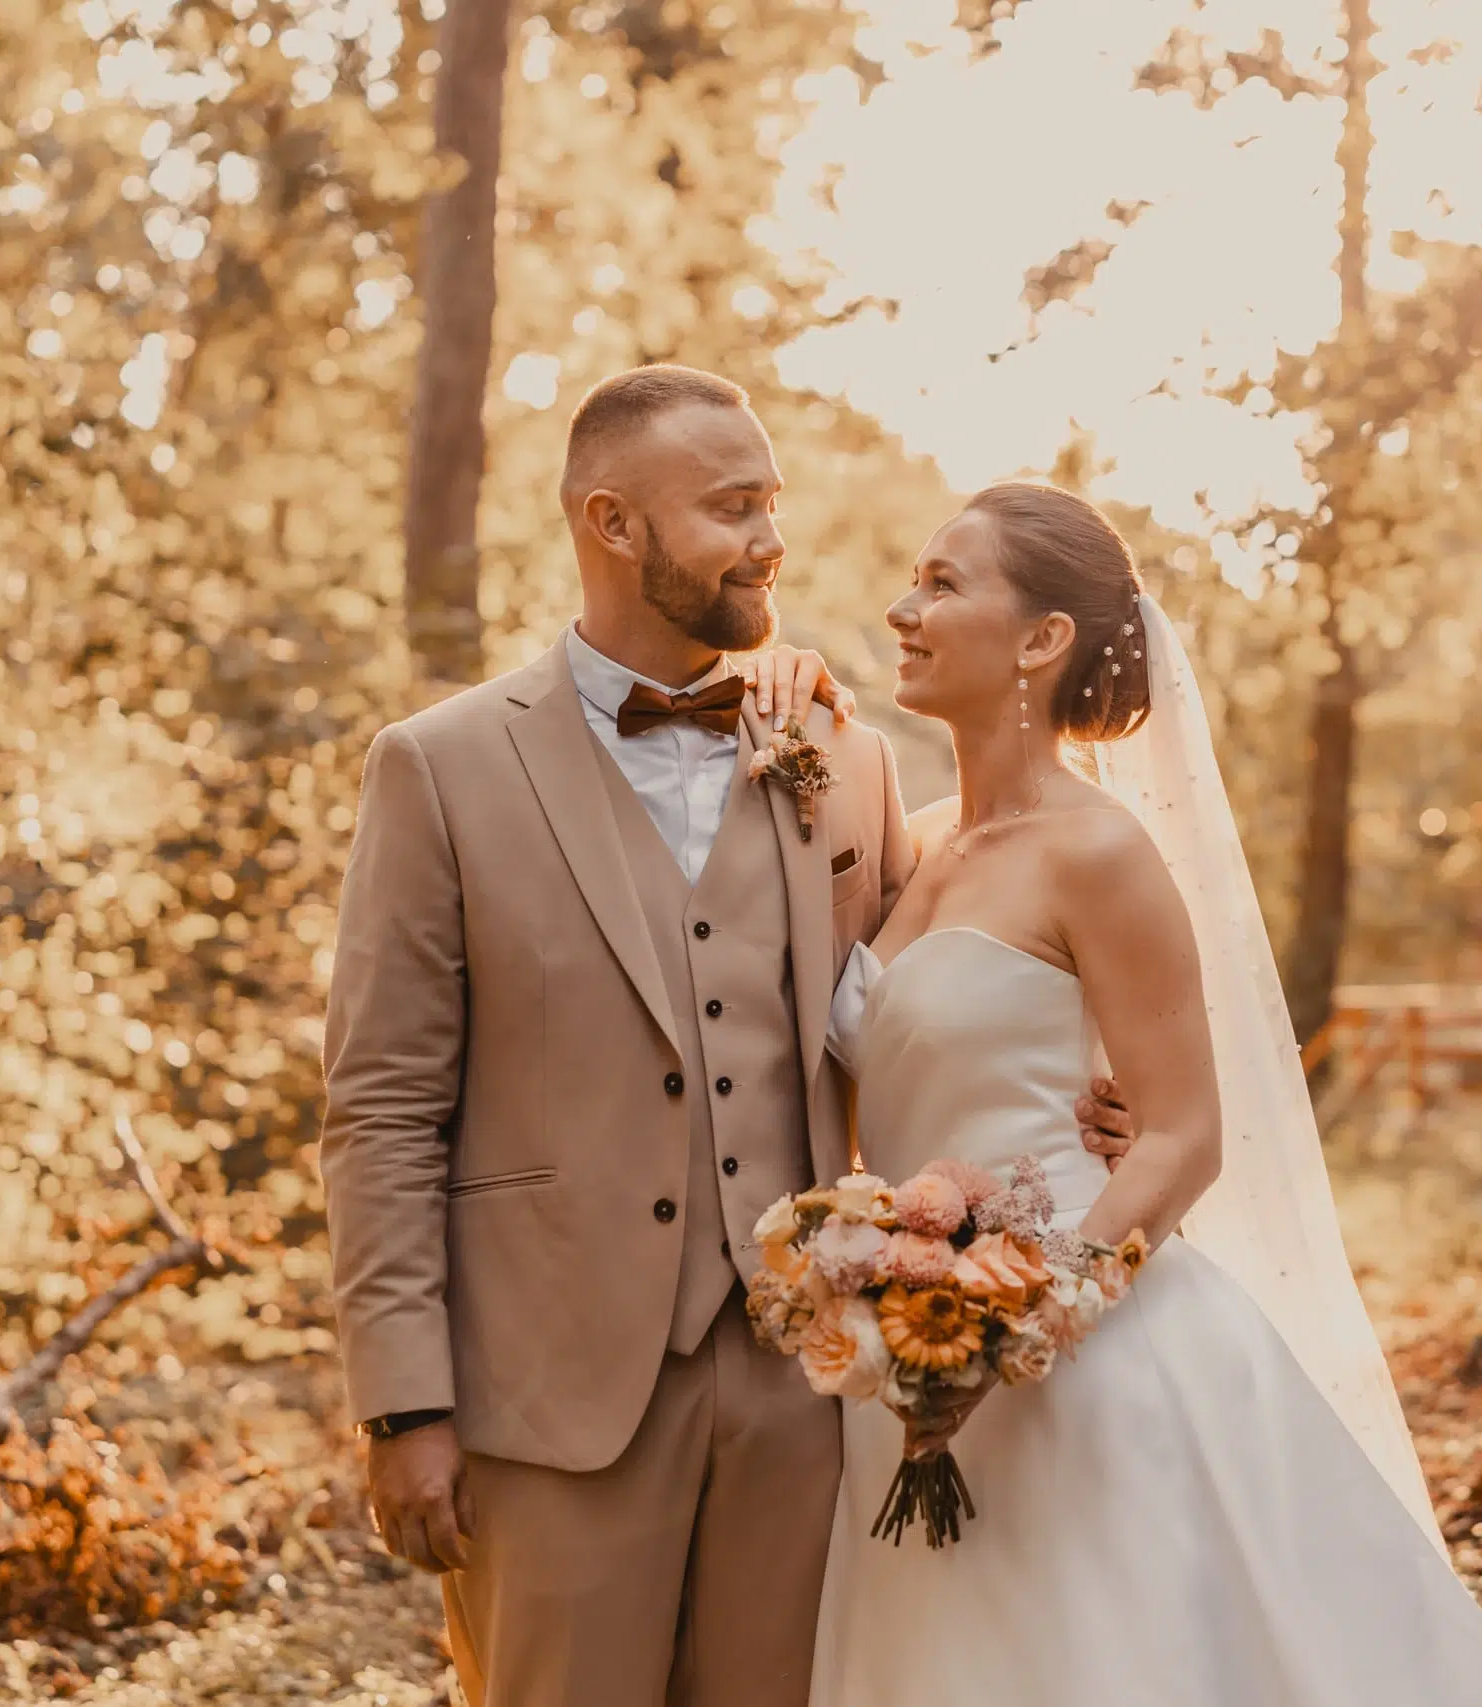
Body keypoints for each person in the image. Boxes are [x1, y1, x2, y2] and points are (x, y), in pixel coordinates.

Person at [319, 366, 1133, 1707]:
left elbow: (932, 991)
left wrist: (1088, 1080)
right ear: (613, 523)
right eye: (732, 506)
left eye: (773, 502)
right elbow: (384, 1108)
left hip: (804, 1391)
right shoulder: (442, 765)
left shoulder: (842, 755)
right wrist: (404, 1402)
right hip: (548, 1400)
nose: (772, 539)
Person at [806, 482, 1482, 1705]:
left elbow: (1185, 1136)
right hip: (904, 1360)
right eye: (912, 580)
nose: (903, 608)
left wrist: (1018, 1328)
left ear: (1042, 639)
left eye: (943, 585)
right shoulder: (911, 843)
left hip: (1078, 1369)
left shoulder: (1099, 852)